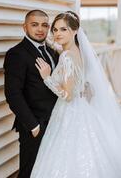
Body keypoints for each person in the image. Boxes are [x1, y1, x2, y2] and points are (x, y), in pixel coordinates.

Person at [30, 11, 121, 178]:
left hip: (69, 111)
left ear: (75, 31)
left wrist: (47, 78)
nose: (57, 34)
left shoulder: (67, 56)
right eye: (55, 30)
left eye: (63, 29)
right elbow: (80, 80)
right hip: (82, 108)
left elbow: (68, 95)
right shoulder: (78, 50)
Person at [3, 10, 59, 178]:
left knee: (49, 169)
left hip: (56, 122)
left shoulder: (52, 51)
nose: (40, 29)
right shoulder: (17, 54)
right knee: (30, 171)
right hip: (35, 125)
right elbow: (13, 94)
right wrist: (33, 126)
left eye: (44, 25)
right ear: (24, 27)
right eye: (34, 25)